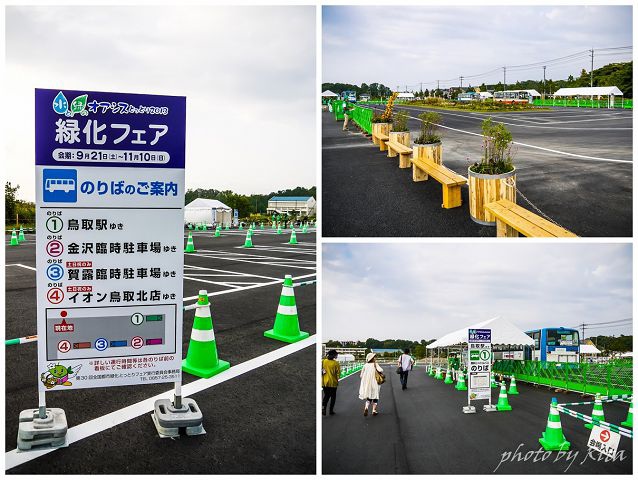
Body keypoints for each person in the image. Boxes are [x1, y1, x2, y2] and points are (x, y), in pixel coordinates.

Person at [359, 352, 384, 416]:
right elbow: (381, 370)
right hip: (375, 383)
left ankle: (366, 407)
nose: (375, 358)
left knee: (369, 396)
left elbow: (361, 375)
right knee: (375, 396)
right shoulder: (375, 364)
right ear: (372, 358)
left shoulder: (365, 365)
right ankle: (374, 410)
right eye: (374, 357)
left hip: (368, 384)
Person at [322, 349, 340, 415]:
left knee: (326, 395)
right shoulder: (336, 363)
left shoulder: (323, 361)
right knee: (333, 397)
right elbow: (338, 374)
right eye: (336, 354)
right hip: (333, 383)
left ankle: (323, 408)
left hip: (324, 382)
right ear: (333, 355)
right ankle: (331, 411)